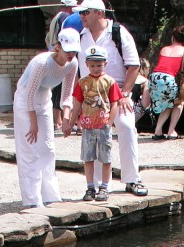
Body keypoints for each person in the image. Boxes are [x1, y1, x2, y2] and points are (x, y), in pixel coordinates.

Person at [76, 0, 148, 196]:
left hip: (117, 91)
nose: (81, 16)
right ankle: (97, 185)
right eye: (81, 13)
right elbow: (80, 71)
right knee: (95, 135)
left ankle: (132, 179)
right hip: (92, 95)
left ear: (99, 13)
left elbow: (133, 66)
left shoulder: (119, 32)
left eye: (85, 12)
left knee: (126, 127)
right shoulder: (82, 36)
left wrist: (125, 93)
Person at [12, 27, 80, 208]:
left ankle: (50, 195)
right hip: (25, 102)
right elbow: (28, 95)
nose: (71, 54)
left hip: (44, 100)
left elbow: (67, 94)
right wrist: (33, 124)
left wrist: (66, 119)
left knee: (48, 148)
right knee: (30, 149)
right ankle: (32, 199)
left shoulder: (73, 64)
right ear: (58, 47)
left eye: (74, 51)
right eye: (68, 50)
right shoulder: (41, 63)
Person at [66, 45, 122, 201]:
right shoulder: (82, 82)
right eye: (92, 65)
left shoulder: (110, 82)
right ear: (87, 65)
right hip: (88, 126)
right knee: (88, 157)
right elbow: (77, 103)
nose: (96, 68)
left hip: (103, 124)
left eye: (99, 65)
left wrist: (110, 122)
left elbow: (114, 103)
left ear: (105, 63)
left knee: (106, 157)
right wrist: (72, 122)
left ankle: (104, 186)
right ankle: (90, 186)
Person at [146, 25, 184, 140]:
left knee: (168, 103)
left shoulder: (164, 49)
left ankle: (158, 130)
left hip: (154, 77)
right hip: (168, 79)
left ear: (172, 37)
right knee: (179, 102)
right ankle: (171, 131)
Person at [48, 0, 79, 133]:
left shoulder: (56, 17)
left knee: (57, 89)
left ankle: (58, 121)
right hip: (59, 55)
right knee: (59, 88)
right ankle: (58, 121)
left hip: (55, 51)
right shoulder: (65, 18)